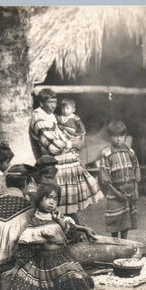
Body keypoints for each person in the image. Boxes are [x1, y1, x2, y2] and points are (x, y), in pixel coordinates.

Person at [3, 183, 97, 290]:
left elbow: (71, 234)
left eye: (55, 199)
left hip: (62, 258)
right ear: (39, 198)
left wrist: (61, 222)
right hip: (43, 262)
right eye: (47, 198)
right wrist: (16, 268)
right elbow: (26, 248)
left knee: (78, 280)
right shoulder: (35, 219)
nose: (51, 202)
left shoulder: (57, 215)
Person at [29, 88, 103, 221]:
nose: (53, 105)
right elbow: (54, 147)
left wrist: (74, 144)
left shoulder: (50, 115)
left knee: (69, 207)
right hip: (55, 166)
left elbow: (62, 136)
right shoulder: (39, 118)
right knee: (59, 204)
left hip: (66, 163)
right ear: (41, 102)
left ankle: (72, 230)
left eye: (54, 102)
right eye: (49, 102)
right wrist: (73, 144)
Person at [98, 121, 141, 239]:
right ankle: (115, 242)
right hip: (115, 192)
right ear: (110, 137)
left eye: (121, 136)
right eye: (115, 136)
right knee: (115, 220)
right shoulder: (106, 153)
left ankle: (124, 241)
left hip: (129, 191)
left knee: (126, 219)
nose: (118, 139)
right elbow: (105, 177)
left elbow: (136, 169)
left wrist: (136, 190)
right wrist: (116, 193)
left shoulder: (130, 152)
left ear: (125, 136)